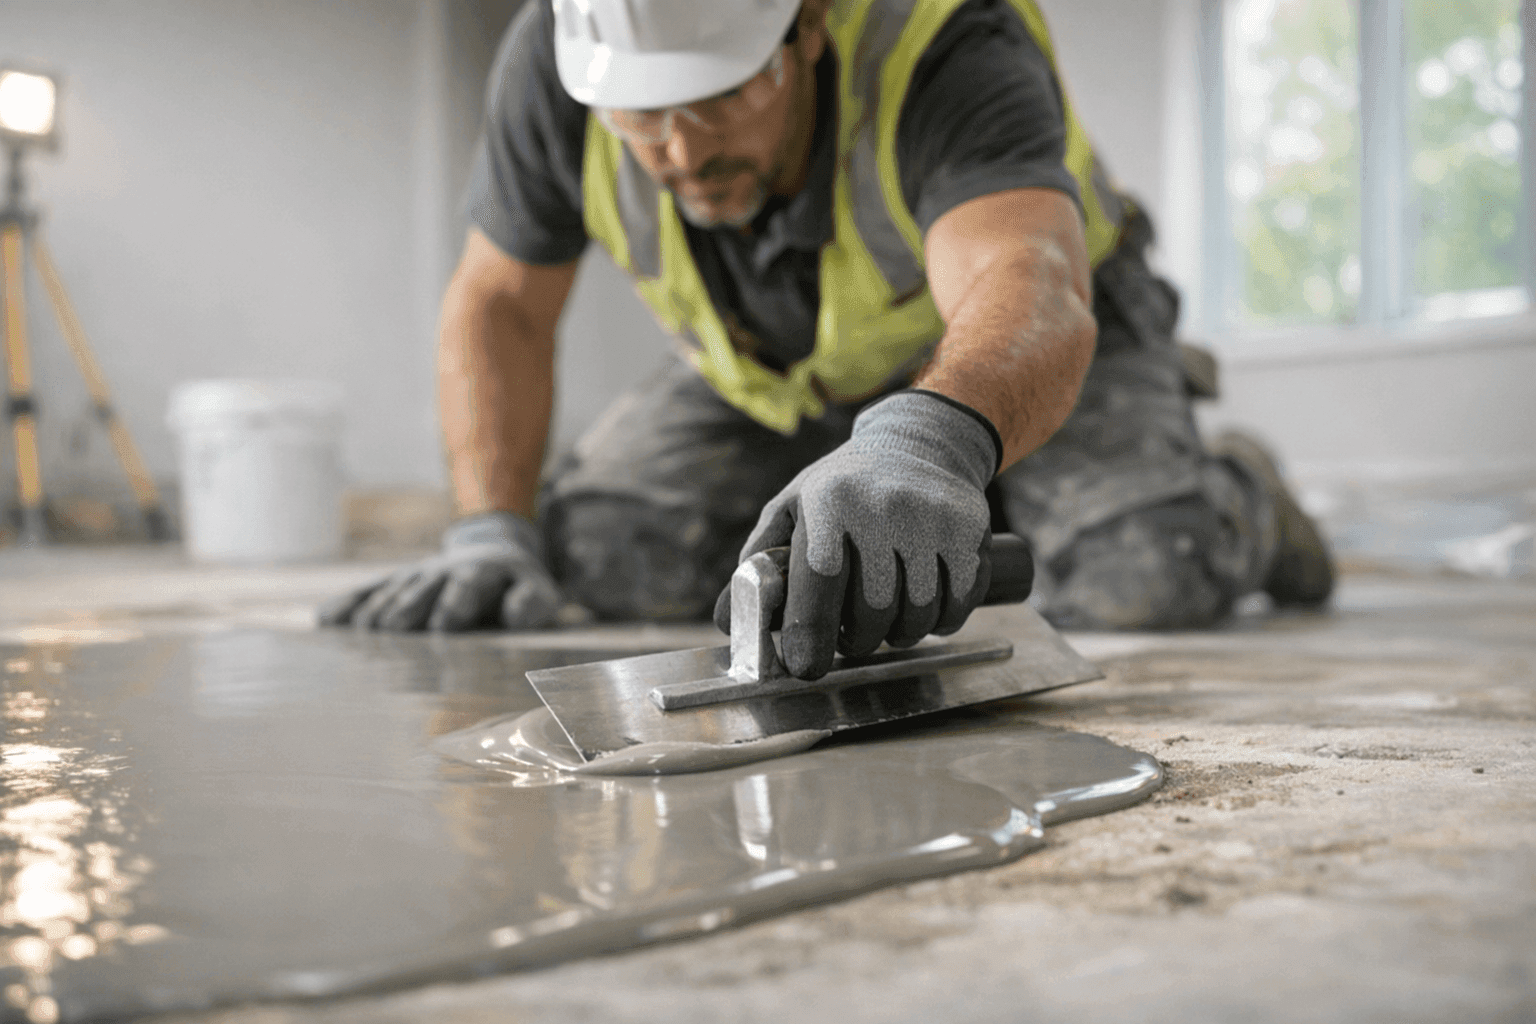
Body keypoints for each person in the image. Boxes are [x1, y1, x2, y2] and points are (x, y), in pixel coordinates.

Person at [320, 0, 1334, 676]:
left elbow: (1028, 275)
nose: (678, 149)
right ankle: (957, 496)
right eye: (640, 115)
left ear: (804, 26)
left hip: (1029, 340)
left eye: (719, 94)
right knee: (604, 549)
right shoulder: (559, 56)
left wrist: (927, 442)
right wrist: (491, 525)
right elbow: (498, 301)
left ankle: (1240, 493)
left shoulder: (942, 37)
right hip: (775, 373)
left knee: (1142, 566)